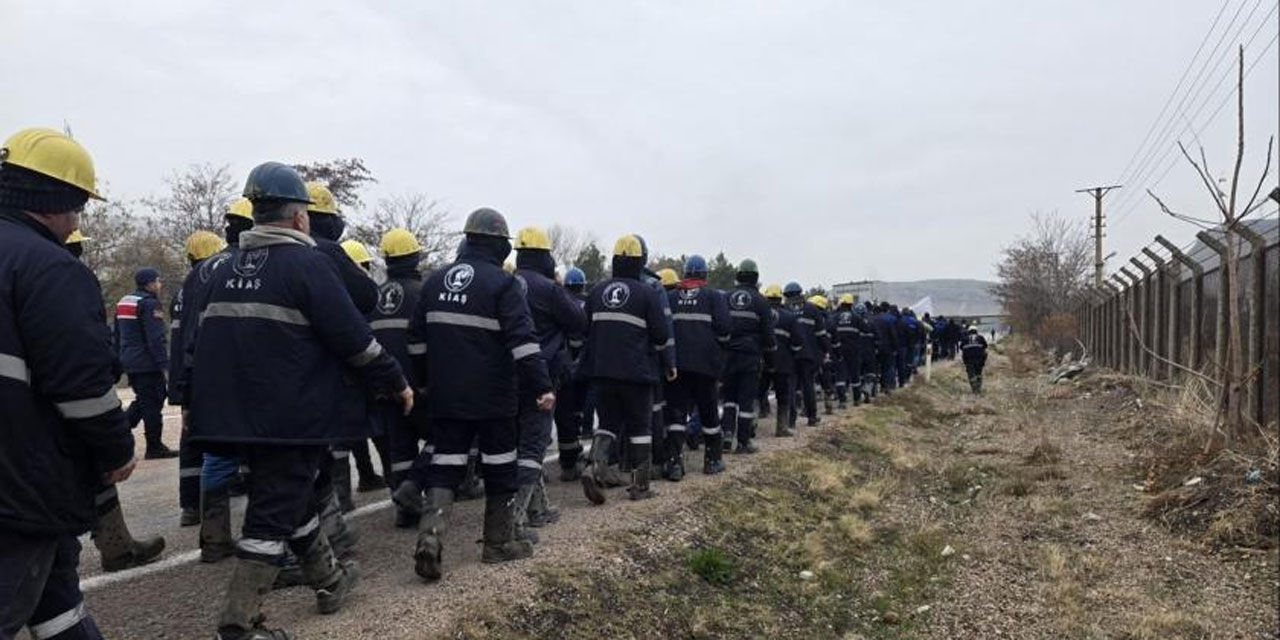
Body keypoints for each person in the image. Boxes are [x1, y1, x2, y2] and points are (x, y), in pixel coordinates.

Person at [187, 162, 411, 640]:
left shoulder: (218, 270)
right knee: (271, 514)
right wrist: (394, 379)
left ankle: (329, 578)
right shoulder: (308, 264)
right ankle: (238, 623)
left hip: (230, 417)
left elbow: (195, 344)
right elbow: (353, 337)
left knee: (297, 494)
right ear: (299, 218)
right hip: (287, 416)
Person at [1, 126, 140, 639]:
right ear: (61, 201)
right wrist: (115, 450)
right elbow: (82, 387)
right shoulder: (50, 267)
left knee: (57, 601)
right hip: (19, 482)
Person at [408, 208, 554, 582]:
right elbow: (523, 343)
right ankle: (498, 543)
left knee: (446, 465)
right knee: (501, 466)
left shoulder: (434, 282)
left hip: (447, 395)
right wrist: (541, 386)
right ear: (499, 244)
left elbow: (416, 343)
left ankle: (430, 538)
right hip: (494, 397)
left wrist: (423, 382)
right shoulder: (503, 285)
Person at [580, 235, 674, 503]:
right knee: (639, 426)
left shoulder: (597, 290)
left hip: (601, 371)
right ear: (640, 262)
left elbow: (584, 328)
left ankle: (593, 466)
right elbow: (660, 334)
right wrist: (667, 363)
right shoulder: (648, 292)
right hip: (636, 373)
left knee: (607, 423)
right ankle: (640, 486)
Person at [510, 226, 586, 542]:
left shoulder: (506, 283)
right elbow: (578, 322)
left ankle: (539, 507)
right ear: (544, 255)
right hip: (541, 375)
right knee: (533, 444)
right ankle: (517, 518)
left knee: (522, 443)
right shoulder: (548, 289)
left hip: (506, 375)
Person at [371, 229, 432, 529]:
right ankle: (412, 489)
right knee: (445, 438)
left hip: (385, 386)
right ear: (415, 257)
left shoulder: (375, 296)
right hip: (418, 386)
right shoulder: (424, 293)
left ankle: (405, 511)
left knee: (400, 448)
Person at [171, 230, 228, 527]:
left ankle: (192, 507)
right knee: (222, 441)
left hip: (188, 373)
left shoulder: (185, 287)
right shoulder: (217, 277)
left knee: (192, 439)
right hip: (211, 370)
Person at [663, 254, 730, 479]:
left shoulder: (670, 297)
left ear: (685, 273)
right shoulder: (714, 297)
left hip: (677, 366)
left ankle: (674, 464)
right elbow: (724, 329)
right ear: (705, 274)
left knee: (676, 414)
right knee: (709, 413)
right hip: (705, 366)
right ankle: (713, 460)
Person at [115, 266, 178, 459]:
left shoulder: (125, 302)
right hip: (147, 362)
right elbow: (155, 338)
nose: (160, 284)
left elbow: (117, 334)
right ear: (150, 283)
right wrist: (164, 365)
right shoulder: (150, 304)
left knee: (144, 400)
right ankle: (154, 445)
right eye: (158, 281)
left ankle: (119, 432)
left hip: (130, 360)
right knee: (153, 402)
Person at [720, 259, 775, 454]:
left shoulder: (725, 297)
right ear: (756, 278)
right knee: (745, 400)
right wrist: (771, 358)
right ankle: (743, 442)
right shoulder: (761, 301)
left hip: (727, 356)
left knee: (729, 398)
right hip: (750, 358)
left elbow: (718, 325)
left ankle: (726, 436)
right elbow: (768, 335)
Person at [554, 266, 592, 481]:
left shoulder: (560, 298)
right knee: (575, 411)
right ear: (583, 284)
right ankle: (572, 456)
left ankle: (568, 457)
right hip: (583, 365)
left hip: (562, 365)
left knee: (564, 413)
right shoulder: (586, 302)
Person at [785, 283, 827, 426]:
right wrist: (826, 351)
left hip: (790, 354)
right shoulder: (812, 309)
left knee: (790, 386)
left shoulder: (785, 310)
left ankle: (790, 420)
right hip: (808, 354)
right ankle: (812, 417)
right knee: (807, 385)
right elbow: (821, 334)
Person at [961, 325, 989, 394]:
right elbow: (985, 346)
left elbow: (961, 347)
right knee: (978, 373)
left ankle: (974, 389)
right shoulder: (980, 337)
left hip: (969, 359)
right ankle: (978, 388)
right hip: (979, 358)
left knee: (971, 374)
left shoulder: (965, 338)